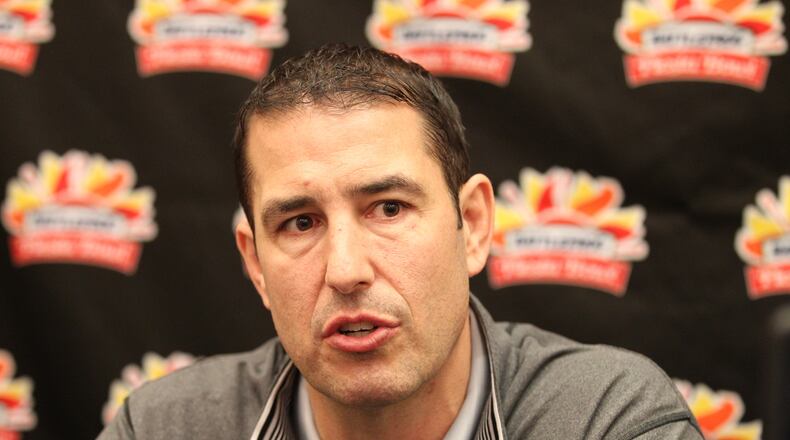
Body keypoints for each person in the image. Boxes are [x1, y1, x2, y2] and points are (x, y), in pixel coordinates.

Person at [99, 44, 702, 440]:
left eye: (388, 208)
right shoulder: (161, 428)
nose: (346, 270)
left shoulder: (606, 421)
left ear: (474, 225)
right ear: (255, 262)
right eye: (300, 223)